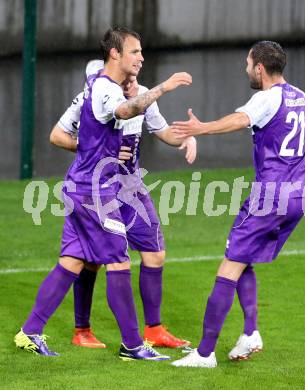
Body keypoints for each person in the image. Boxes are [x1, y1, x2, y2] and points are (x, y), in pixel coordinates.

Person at [14, 27, 192, 361]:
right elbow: (124, 112)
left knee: (71, 262)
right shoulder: (104, 89)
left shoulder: (112, 88)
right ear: (115, 54)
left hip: (86, 186)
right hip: (96, 191)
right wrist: (164, 87)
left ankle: (30, 331)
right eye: (135, 52)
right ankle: (132, 345)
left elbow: (133, 119)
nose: (141, 57)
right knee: (119, 261)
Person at [170, 41, 305, 368]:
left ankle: (204, 353)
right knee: (243, 257)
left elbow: (239, 119)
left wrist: (201, 128)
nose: (246, 69)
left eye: (248, 64)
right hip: (299, 195)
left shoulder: (266, 97)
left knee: (229, 266)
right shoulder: (300, 95)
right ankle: (250, 333)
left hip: (269, 197)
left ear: (259, 67)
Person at [49, 60, 196, 349]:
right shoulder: (90, 98)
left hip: (130, 188)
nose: (131, 78)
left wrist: (189, 137)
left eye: (134, 74)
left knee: (155, 254)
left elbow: (163, 131)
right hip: (100, 190)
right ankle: (82, 330)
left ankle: (153, 329)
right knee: (92, 261)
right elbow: (56, 135)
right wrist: (89, 145)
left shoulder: (142, 95)